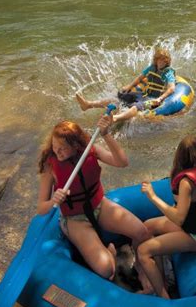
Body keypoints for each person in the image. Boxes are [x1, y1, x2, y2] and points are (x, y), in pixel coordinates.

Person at [37, 114, 152, 290]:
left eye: (62, 148)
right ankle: (110, 252)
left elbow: (122, 162)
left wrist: (106, 134)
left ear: (75, 146)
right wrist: (54, 199)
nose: (57, 152)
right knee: (106, 269)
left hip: (99, 206)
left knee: (142, 232)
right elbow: (41, 208)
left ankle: (140, 267)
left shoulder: (91, 149)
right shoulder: (50, 165)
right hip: (74, 219)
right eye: (54, 147)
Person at [138, 135, 196, 299]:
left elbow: (179, 218)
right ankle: (160, 279)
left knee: (143, 251)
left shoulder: (187, 183)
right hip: (193, 226)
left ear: (179, 156)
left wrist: (152, 196)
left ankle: (163, 296)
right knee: (147, 226)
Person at [75, 47, 176, 123]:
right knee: (120, 97)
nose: (162, 62)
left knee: (136, 106)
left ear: (167, 62)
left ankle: (115, 118)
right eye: (160, 59)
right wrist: (129, 87)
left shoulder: (168, 73)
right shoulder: (151, 68)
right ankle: (88, 104)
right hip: (144, 95)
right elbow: (140, 78)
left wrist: (160, 98)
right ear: (156, 60)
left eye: (164, 60)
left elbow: (171, 88)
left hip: (154, 100)